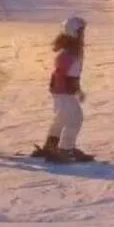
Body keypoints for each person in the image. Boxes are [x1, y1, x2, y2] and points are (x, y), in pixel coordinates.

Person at [35, 17, 93, 162]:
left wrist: (76, 89)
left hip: (63, 92)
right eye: (81, 31)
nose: (83, 35)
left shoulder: (73, 50)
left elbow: (72, 74)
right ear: (74, 32)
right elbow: (62, 74)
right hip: (64, 92)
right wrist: (71, 90)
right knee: (75, 118)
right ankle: (66, 149)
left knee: (61, 118)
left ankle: (51, 145)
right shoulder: (69, 53)